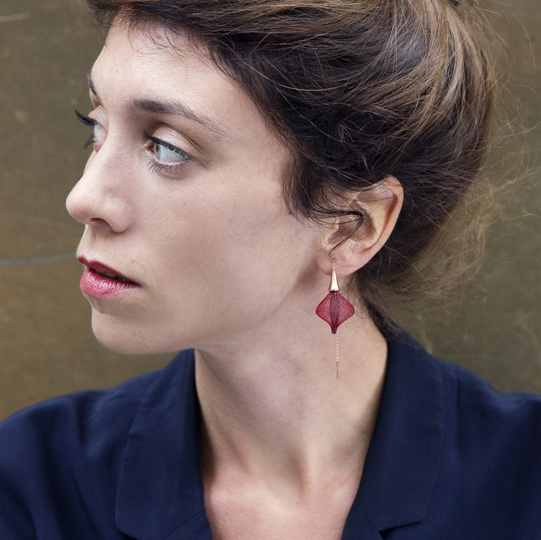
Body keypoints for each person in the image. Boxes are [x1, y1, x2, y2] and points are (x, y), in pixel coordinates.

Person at [1, 0, 540, 538]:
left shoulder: (524, 487)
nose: (85, 197)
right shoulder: (32, 484)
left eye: (166, 148)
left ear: (351, 226)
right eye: (95, 126)